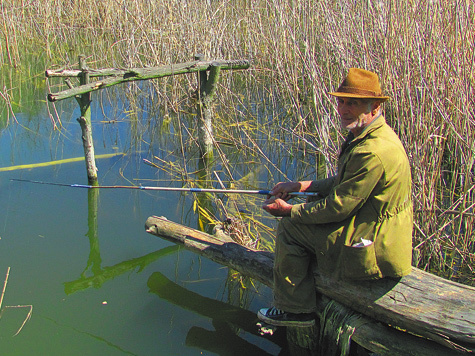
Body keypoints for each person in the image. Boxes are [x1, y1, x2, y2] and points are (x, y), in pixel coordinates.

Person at [257, 68, 413, 327]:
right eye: (341, 101)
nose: (343, 109)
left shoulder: (371, 151)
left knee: (291, 228)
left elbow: (339, 206)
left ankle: (296, 311)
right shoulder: (372, 136)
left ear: (374, 107)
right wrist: (302, 185)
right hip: (375, 230)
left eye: (352, 103)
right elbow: (343, 184)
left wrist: (288, 211)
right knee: (306, 208)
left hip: (375, 247)